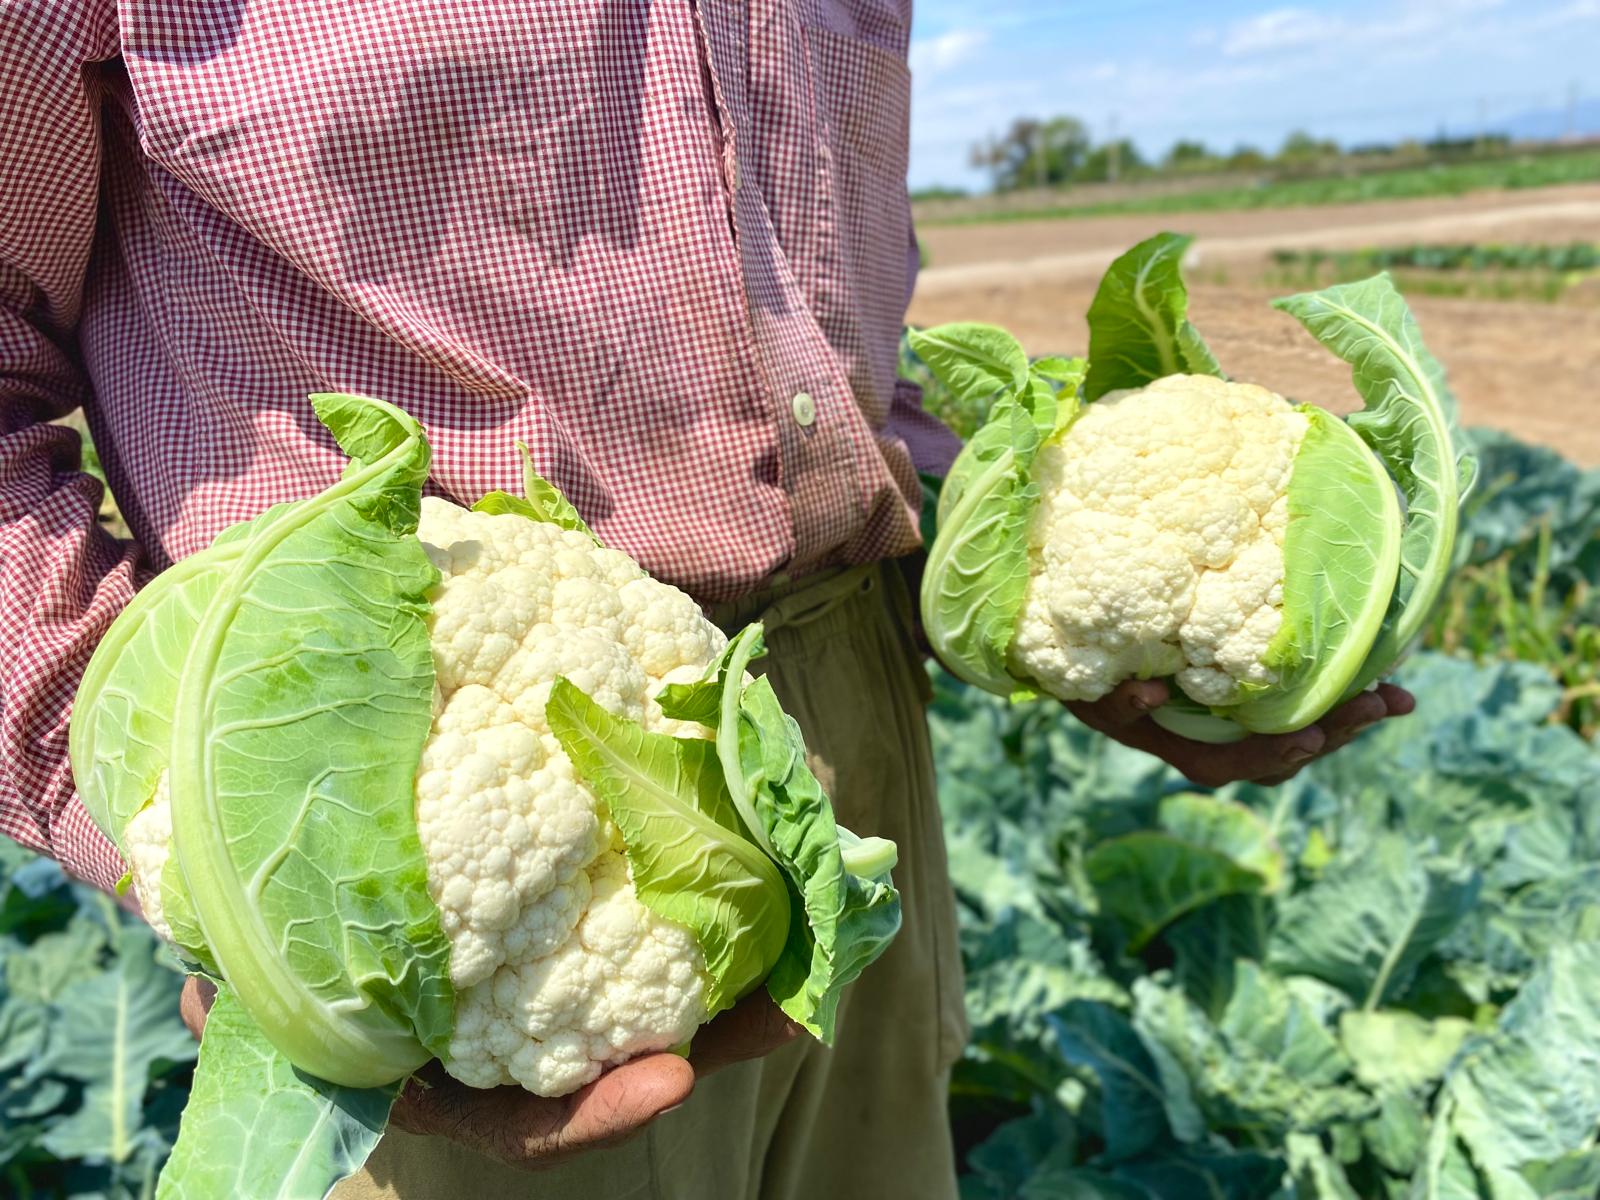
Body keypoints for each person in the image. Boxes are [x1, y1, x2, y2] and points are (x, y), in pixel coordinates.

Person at [0, 3, 1411, 1197]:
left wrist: (1065, 593)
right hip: (422, 824)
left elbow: (825, 350)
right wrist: (204, 837)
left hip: (856, 739)